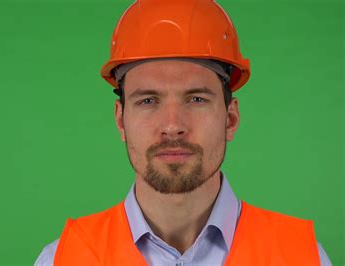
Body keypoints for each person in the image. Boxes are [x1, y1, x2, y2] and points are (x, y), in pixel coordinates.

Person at [36, 0, 332, 265]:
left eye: (196, 99)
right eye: (148, 100)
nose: (172, 125)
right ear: (121, 121)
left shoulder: (304, 257)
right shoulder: (61, 259)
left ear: (230, 118)